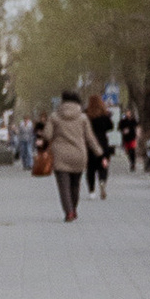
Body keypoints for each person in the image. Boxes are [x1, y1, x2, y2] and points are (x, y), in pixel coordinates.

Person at [47, 86, 92, 223]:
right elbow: (90, 138)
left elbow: (47, 135)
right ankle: (74, 208)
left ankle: (69, 212)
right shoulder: (83, 117)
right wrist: (100, 153)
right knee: (75, 184)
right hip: (79, 154)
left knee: (64, 186)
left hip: (60, 155)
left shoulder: (54, 116)